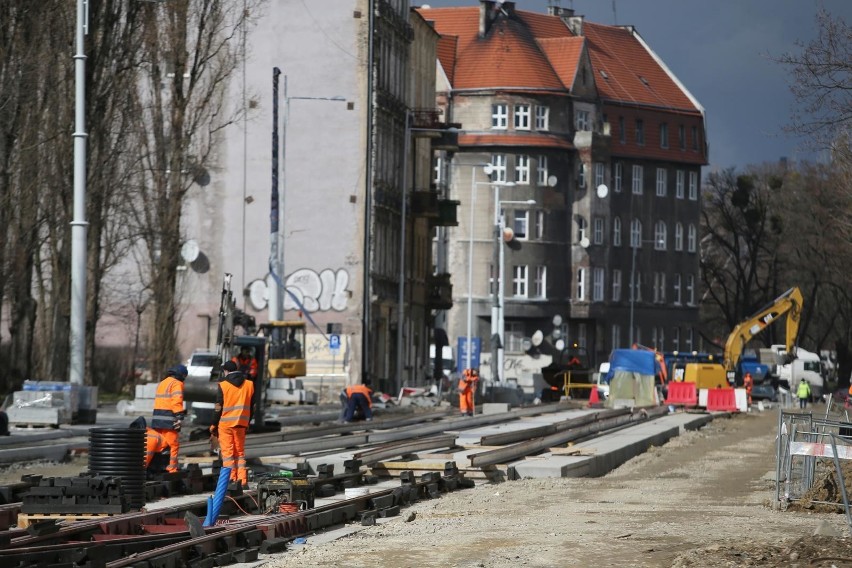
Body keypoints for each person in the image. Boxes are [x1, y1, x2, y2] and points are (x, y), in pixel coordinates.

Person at [211, 360, 255, 488]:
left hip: (225, 425)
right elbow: (252, 407)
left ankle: (231, 480)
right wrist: (247, 421)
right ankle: (242, 480)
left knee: (228, 454)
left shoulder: (223, 385)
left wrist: (213, 424)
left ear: (226, 371)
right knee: (240, 453)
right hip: (241, 424)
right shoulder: (249, 384)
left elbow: (218, 408)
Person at [150, 365, 187, 473]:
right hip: (168, 419)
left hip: (157, 419)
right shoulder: (176, 383)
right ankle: (172, 468)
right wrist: (179, 416)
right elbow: (176, 401)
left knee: (160, 444)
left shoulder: (163, 382)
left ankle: (156, 466)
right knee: (173, 444)